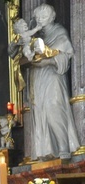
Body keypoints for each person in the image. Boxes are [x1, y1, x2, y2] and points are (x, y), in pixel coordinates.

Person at [26, 4, 80, 161]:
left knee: (54, 109)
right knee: (40, 110)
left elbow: (66, 55)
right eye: (38, 17)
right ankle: (47, 150)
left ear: (52, 17)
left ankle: (64, 147)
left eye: (44, 17)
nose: (41, 20)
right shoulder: (37, 37)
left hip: (53, 77)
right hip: (38, 77)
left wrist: (48, 62)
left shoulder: (59, 32)